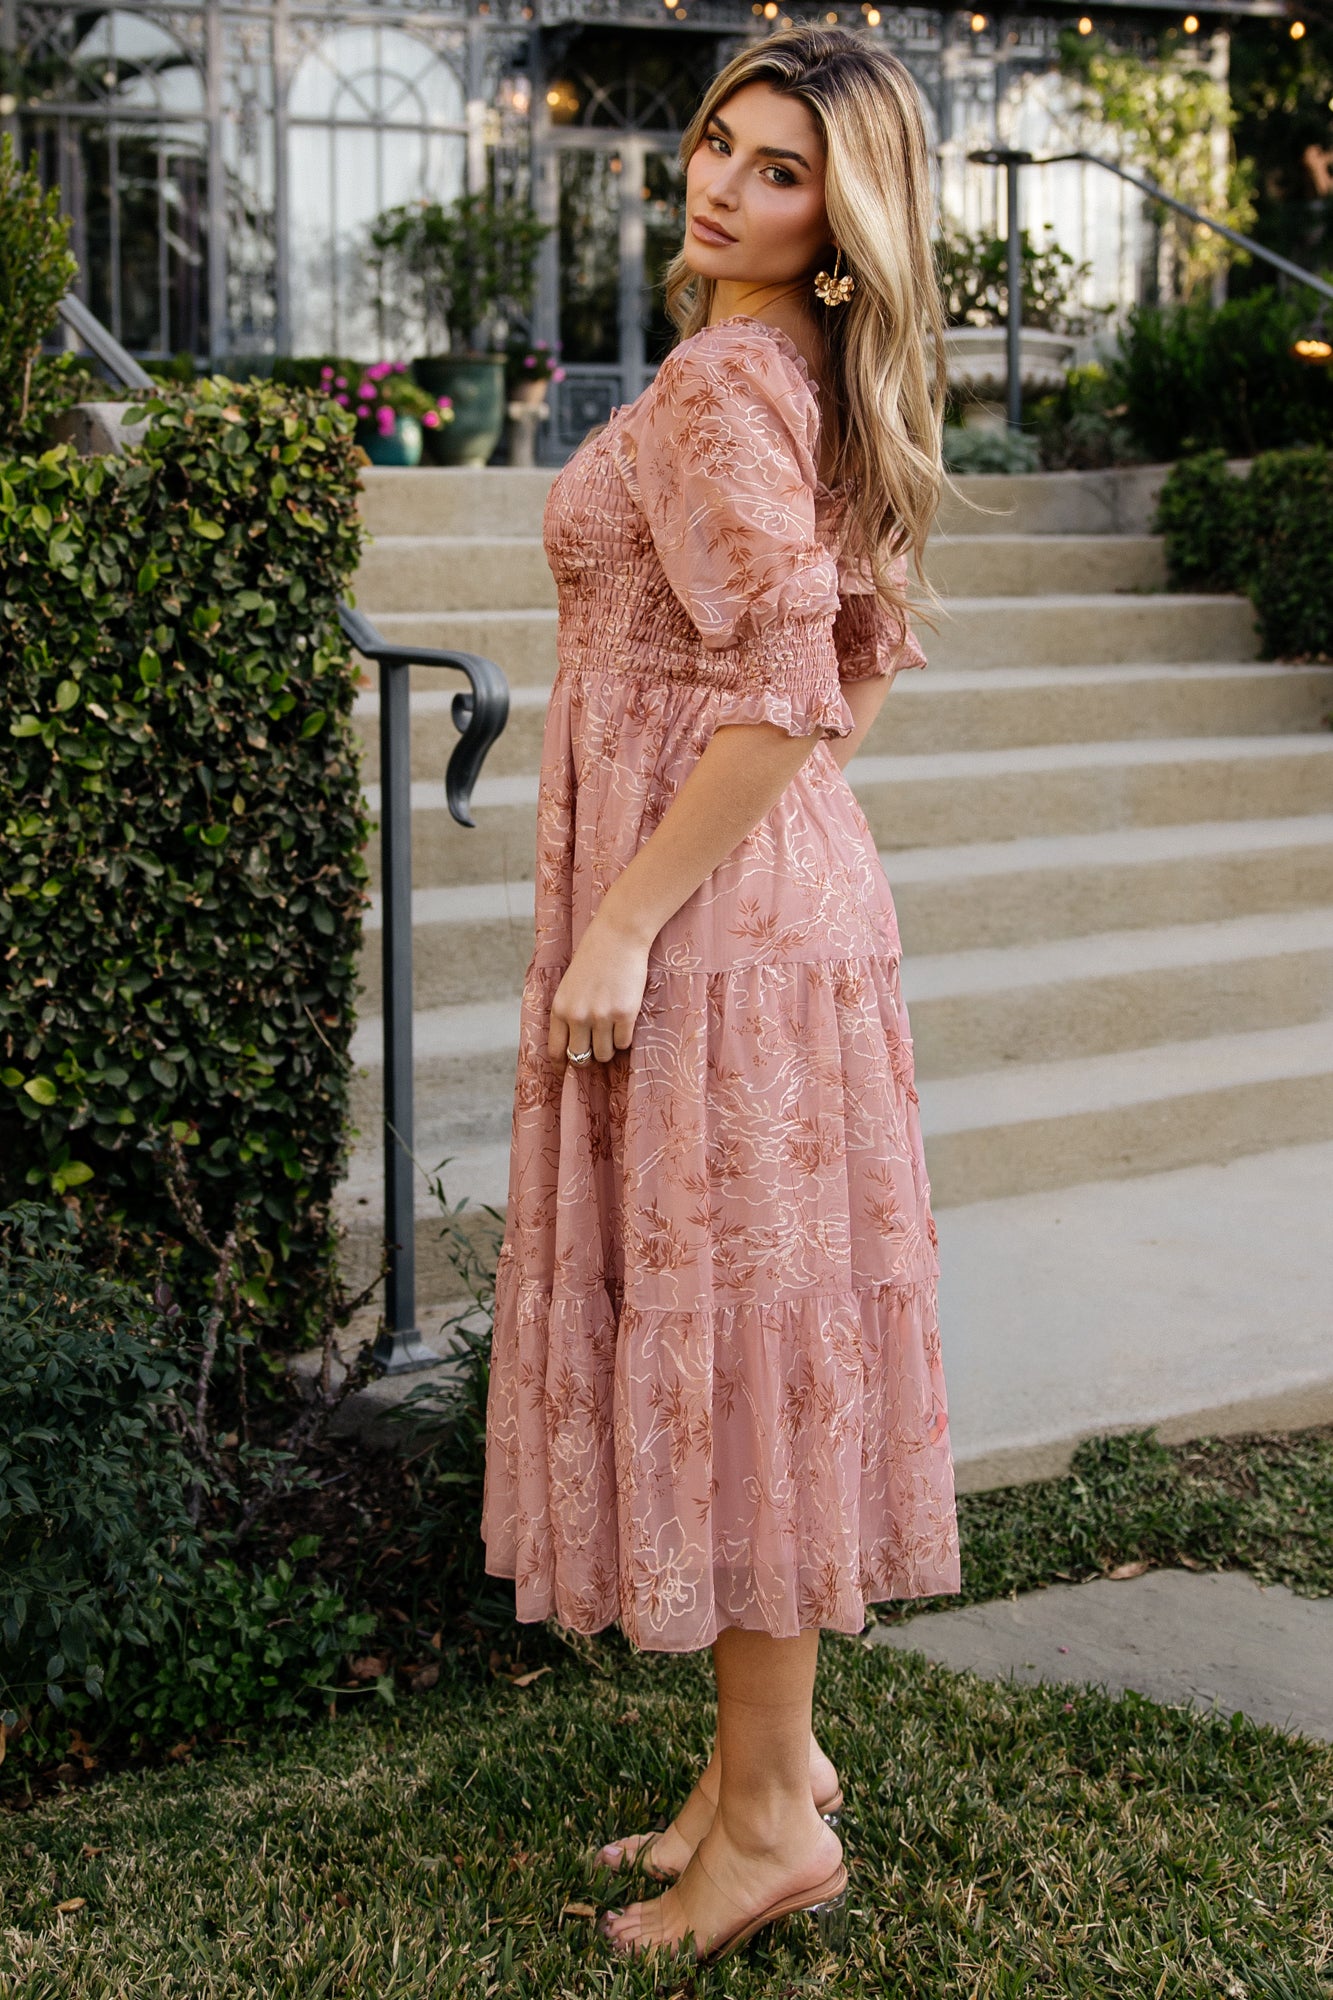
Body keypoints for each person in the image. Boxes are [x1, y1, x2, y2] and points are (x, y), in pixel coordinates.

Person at [479, 23, 962, 1965]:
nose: (719, 183)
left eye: (776, 171)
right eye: (717, 142)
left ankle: (769, 1817)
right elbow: (853, 669)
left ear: (836, 232)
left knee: (736, 1341)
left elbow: (786, 685)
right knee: (764, 1327)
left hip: (710, 926)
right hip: (786, 904)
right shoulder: (808, 377)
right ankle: (749, 1772)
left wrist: (625, 920)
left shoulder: (713, 380)